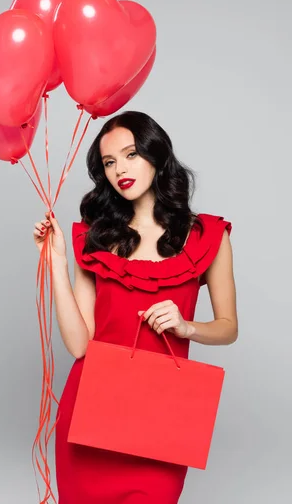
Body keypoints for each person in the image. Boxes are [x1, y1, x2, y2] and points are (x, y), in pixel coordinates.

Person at [33, 110, 238, 504]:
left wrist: (187, 327)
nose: (119, 170)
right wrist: (56, 261)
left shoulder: (207, 236)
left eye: (130, 155)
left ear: (156, 156)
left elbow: (228, 327)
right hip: (90, 413)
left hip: (161, 420)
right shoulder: (94, 238)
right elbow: (79, 345)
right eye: (109, 162)